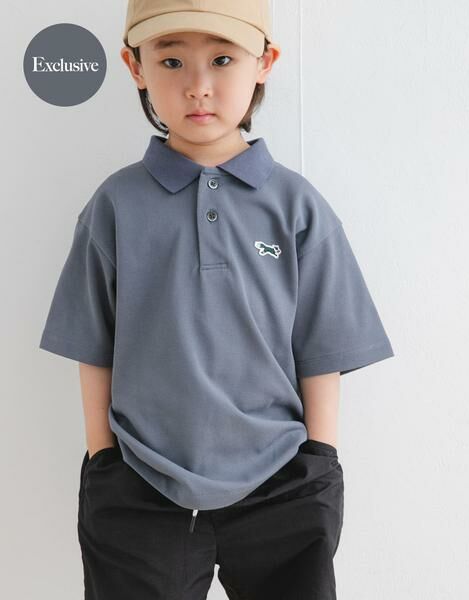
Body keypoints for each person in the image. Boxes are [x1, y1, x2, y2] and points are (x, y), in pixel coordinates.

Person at [38, 1, 395, 598]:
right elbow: (92, 343)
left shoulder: (297, 206)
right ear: (135, 67)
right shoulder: (116, 204)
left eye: (223, 59)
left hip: (282, 481)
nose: (198, 85)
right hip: (139, 485)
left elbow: (323, 348)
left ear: (265, 62)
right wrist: (103, 460)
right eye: (171, 60)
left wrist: (320, 459)